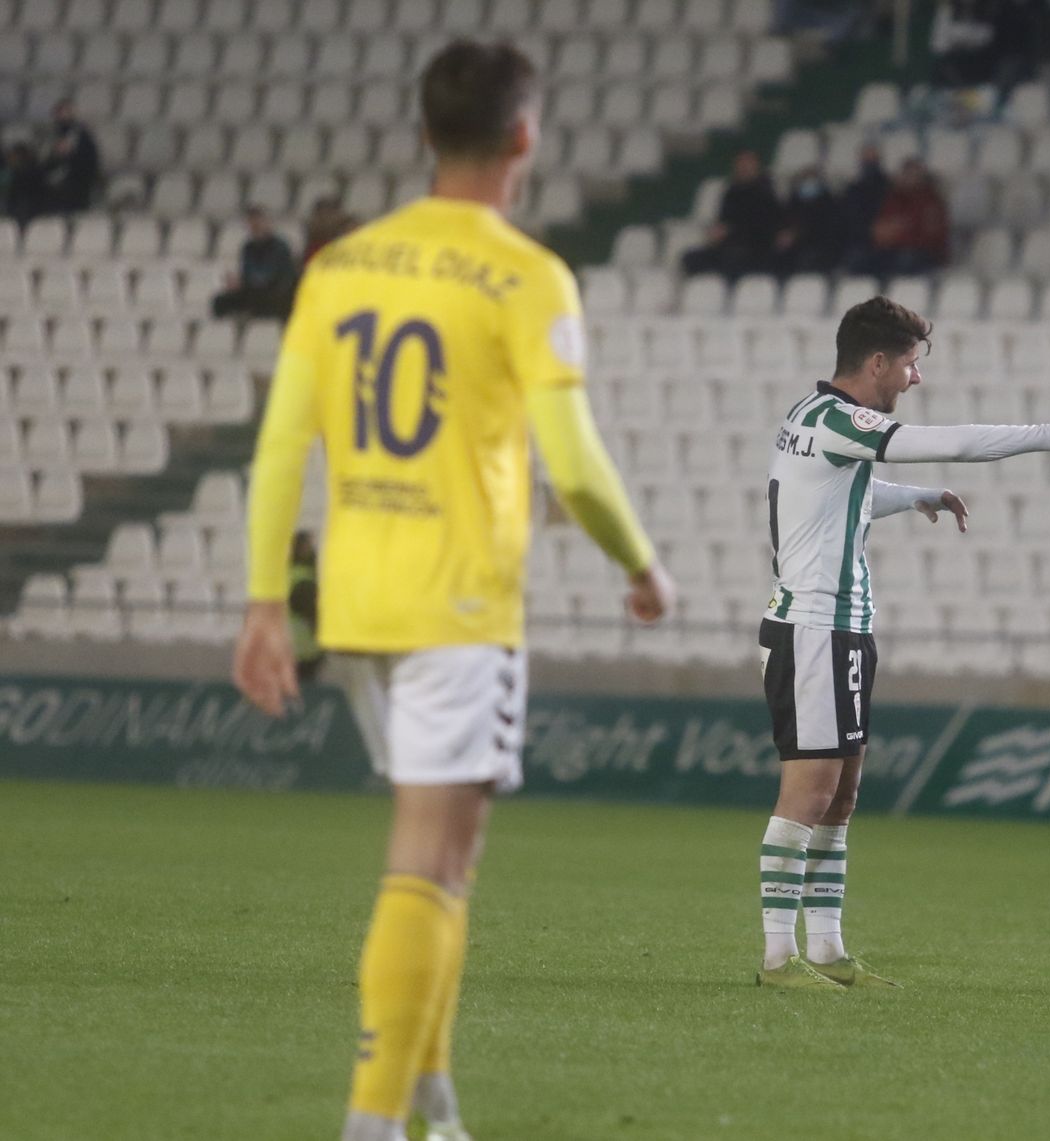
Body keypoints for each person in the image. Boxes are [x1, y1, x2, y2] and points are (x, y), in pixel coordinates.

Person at [231, 40, 674, 1141]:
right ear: (526, 136)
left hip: (355, 601)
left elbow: (282, 444)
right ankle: (373, 1122)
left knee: (439, 861)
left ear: (424, 133)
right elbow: (575, 465)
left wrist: (262, 604)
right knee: (431, 860)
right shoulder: (527, 274)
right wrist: (639, 562)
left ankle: (431, 1101)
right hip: (459, 607)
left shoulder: (338, 266)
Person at [755, 295, 1050, 989]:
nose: (915, 378)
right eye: (910, 364)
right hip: (812, 627)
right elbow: (951, 440)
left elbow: (838, 498)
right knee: (810, 791)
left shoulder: (817, 420)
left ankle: (828, 950)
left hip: (842, 628)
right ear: (877, 363)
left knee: (841, 795)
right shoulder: (839, 419)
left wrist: (914, 496)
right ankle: (778, 957)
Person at [680, 149, 784, 281]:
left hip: (756, 249)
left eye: (748, 163)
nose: (744, 168)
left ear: (757, 166)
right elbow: (724, 221)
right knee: (690, 258)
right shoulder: (731, 192)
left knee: (735, 259)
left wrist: (731, 230)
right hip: (728, 247)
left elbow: (764, 226)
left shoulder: (766, 193)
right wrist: (717, 232)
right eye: (740, 164)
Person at [846, 158, 950, 278]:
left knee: (905, 261)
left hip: (923, 252)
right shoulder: (893, 199)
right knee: (858, 260)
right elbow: (881, 228)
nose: (909, 178)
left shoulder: (931, 202)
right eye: (906, 174)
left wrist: (901, 233)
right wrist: (886, 233)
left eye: (913, 175)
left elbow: (932, 237)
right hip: (892, 249)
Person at [211, 206, 300, 321]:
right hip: (254, 290)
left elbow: (272, 275)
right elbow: (247, 272)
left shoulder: (279, 246)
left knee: (264, 297)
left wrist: (246, 282)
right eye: (252, 223)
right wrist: (238, 282)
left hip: (275, 292)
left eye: (258, 222)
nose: (255, 226)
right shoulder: (248, 247)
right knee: (220, 301)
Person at [773, 165, 845, 277]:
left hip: (822, 252)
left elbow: (831, 232)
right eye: (805, 180)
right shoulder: (792, 205)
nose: (808, 184)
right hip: (795, 253)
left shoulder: (830, 205)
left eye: (812, 180)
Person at [39, 98, 101, 215]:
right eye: (59, 112)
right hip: (52, 185)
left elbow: (90, 162)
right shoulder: (50, 135)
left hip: (76, 185)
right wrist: (55, 154)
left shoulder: (82, 135)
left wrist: (71, 153)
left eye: (66, 111)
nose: (62, 116)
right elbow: (44, 161)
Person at [289, 530, 323, 684]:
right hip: (305, 651)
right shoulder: (304, 580)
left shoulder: (287, 574)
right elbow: (312, 615)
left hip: (286, 647)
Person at [304, 195, 358, 263]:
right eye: (322, 215)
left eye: (330, 215)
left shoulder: (342, 243)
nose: (325, 219)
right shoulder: (308, 241)